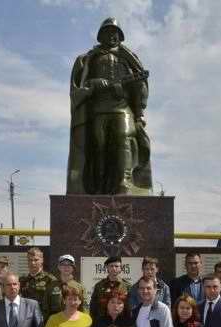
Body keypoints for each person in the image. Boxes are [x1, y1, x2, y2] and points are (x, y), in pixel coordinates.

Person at [66, 17, 152, 195]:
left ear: (120, 36)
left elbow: (140, 86)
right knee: (99, 147)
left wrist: (139, 113)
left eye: (115, 33)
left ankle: (124, 182)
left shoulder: (128, 58)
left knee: (123, 137)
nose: (112, 36)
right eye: (108, 32)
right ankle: (99, 185)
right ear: (100, 35)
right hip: (98, 110)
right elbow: (80, 86)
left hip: (122, 107)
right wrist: (94, 83)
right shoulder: (89, 58)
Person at [89, 255, 131, 321]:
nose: (114, 268)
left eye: (116, 266)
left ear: (120, 268)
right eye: (111, 266)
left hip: (121, 323)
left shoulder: (127, 286)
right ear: (107, 268)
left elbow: (129, 308)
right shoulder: (99, 286)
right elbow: (93, 307)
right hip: (102, 322)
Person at [20, 247, 58, 319]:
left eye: (36, 260)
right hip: (26, 320)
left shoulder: (50, 280)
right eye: (30, 260)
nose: (33, 263)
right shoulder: (22, 280)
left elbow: (55, 306)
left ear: (42, 260)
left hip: (44, 320)